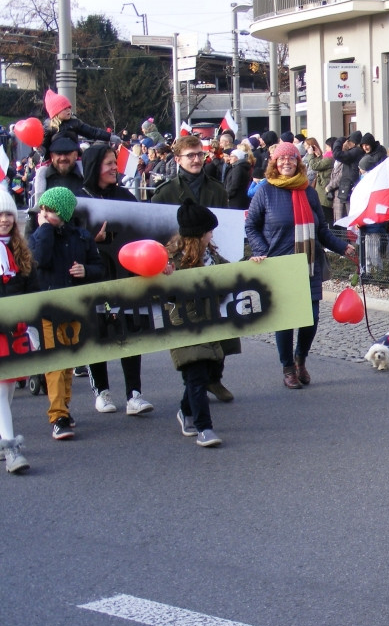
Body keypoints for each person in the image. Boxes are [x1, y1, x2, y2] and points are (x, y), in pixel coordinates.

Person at [245, 142, 356, 388]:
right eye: (281, 159)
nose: (286, 163)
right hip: (280, 265)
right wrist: (262, 251)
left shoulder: (308, 192)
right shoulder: (265, 191)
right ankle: (287, 368)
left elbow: (321, 229)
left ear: (298, 163)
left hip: (309, 264)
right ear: (274, 163)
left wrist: (342, 247)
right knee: (285, 320)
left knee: (311, 318)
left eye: (291, 159)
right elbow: (251, 226)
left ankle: (300, 359)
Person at [76, 143, 156, 417]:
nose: (114, 167)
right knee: (97, 331)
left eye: (115, 162)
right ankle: (102, 391)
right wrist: (91, 239)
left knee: (129, 330)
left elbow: (142, 228)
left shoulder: (125, 196)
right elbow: (70, 244)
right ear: (94, 166)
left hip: (125, 273)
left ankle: (134, 394)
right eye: (108, 163)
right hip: (94, 277)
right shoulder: (79, 200)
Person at [28, 187, 103, 440]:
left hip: (74, 306)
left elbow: (99, 267)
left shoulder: (82, 237)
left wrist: (86, 270)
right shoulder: (39, 234)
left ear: (65, 212)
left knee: (68, 361)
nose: (45, 214)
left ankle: (64, 409)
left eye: (51, 210)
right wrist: (46, 229)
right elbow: (40, 260)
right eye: (43, 209)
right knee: (55, 363)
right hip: (49, 308)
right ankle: (57, 414)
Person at [165, 201, 237, 448]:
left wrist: (255, 264)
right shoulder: (171, 260)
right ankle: (204, 428)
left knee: (202, 375)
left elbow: (232, 273)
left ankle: (185, 411)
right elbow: (156, 292)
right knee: (195, 375)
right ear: (198, 234)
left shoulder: (211, 257)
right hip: (185, 324)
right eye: (208, 231)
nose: (212, 235)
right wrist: (164, 277)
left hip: (209, 322)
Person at [0, 188, 36, 473]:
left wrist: (32, 326)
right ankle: (11, 447)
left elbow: (31, 290)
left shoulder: (20, 250)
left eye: (8, 213)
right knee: (1, 390)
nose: (4, 219)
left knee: (9, 388)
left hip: (16, 329)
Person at [152, 135, 228, 208]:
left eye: (200, 154)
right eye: (190, 155)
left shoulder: (218, 190)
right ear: (178, 160)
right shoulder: (164, 193)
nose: (197, 160)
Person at [40, 89, 114, 158]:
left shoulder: (75, 122)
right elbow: (44, 147)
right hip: (56, 161)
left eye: (69, 107)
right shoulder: (48, 127)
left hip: (74, 159)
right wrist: (40, 149)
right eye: (65, 108)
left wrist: (110, 137)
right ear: (56, 112)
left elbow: (92, 132)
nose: (68, 110)